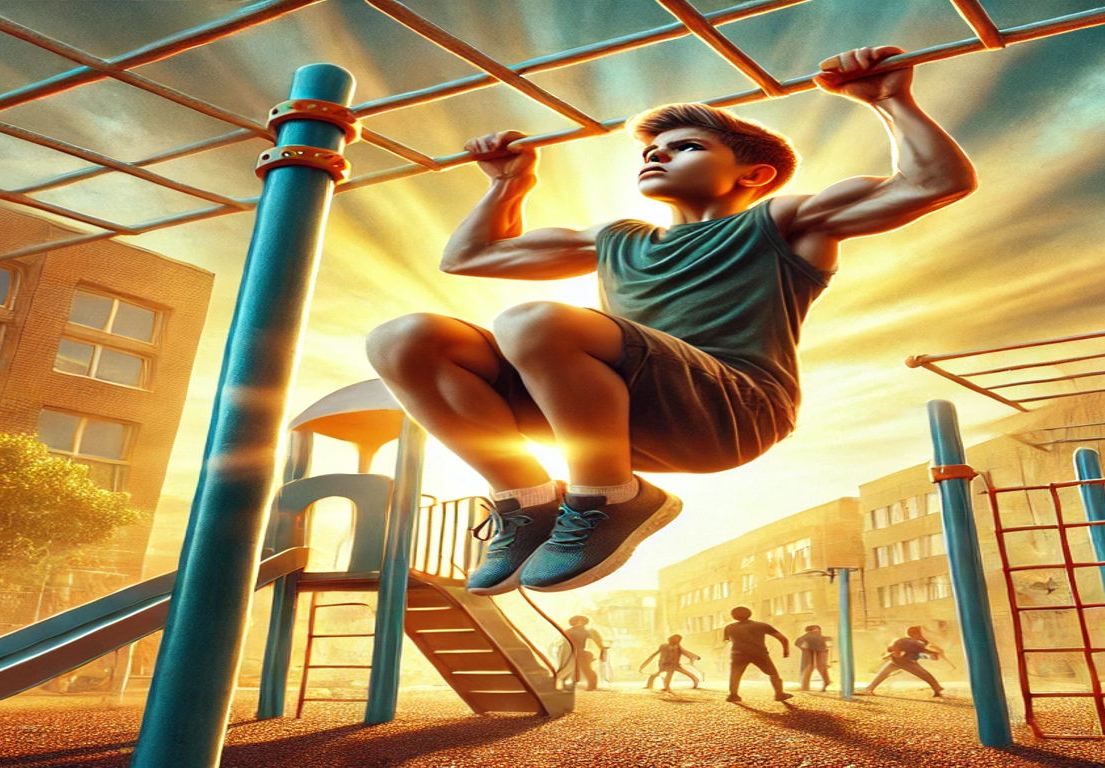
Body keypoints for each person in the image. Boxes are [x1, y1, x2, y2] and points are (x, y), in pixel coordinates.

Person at [366, 46, 977, 597]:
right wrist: (507, 184)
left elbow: (936, 182)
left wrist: (891, 101)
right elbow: (469, 257)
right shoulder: (618, 240)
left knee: (532, 322)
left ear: (753, 174)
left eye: (685, 146)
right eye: (651, 151)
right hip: (606, 415)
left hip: (729, 411)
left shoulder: (783, 221)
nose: (657, 154)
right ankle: (527, 498)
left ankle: (608, 497)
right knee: (405, 339)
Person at [723, 606, 792, 702]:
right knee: (773, 674)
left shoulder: (729, 627)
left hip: (738, 654)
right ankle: (779, 694)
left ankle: (733, 695)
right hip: (759, 653)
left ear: (733, 616)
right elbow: (782, 638)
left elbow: (727, 641)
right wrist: (786, 651)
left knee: (735, 675)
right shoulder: (761, 625)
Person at [860, 625, 945, 697]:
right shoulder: (913, 641)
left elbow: (923, 651)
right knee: (924, 674)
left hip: (901, 660)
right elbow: (894, 648)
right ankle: (869, 689)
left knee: (884, 673)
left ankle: (869, 689)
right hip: (904, 662)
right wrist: (935, 652)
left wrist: (934, 652)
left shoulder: (914, 641)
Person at [560, 615, 607, 691]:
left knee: (586, 669)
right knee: (571, 669)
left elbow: (598, 641)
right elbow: (564, 643)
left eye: (581, 621)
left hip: (579, 653)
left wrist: (602, 650)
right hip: (572, 652)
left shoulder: (588, 631)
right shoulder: (568, 631)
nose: (579, 623)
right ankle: (566, 684)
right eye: (578, 621)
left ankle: (592, 685)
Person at [794, 625, 832, 692]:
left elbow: (798, 642)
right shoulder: (809, 637)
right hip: (814, 651)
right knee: (811, 667)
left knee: (816, 667)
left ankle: (806, 686)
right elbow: (798, 642)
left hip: (818, 651)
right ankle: (805, 686)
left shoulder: (809, 637)